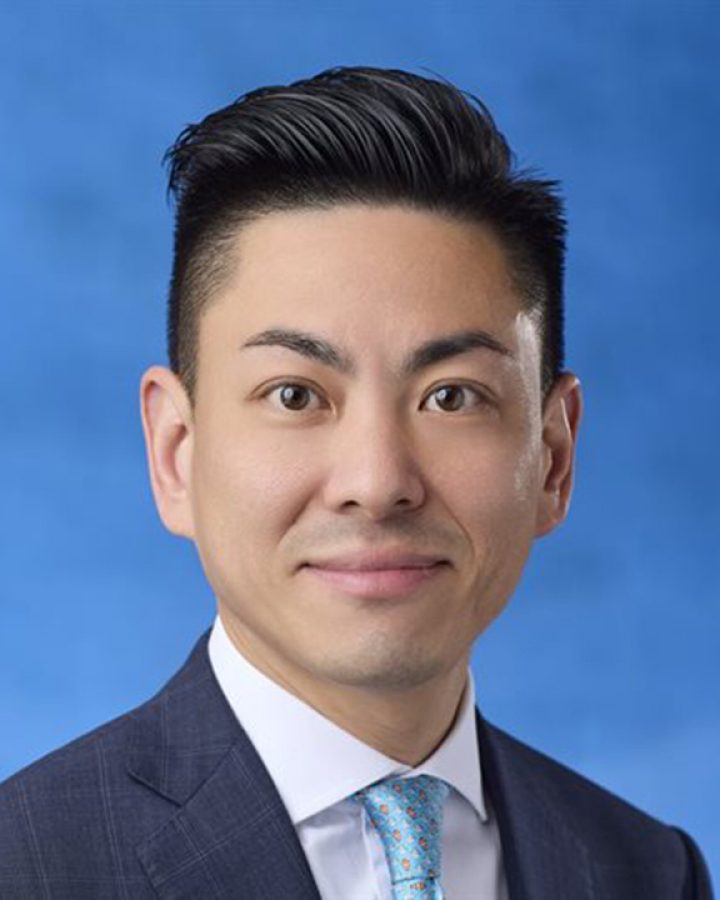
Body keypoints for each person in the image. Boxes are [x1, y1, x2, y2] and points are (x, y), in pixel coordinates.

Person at [0, 65, 713, 900]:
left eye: (451, 397)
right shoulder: (26, 863)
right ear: (176, 452)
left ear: (553, 456)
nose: (377, 483)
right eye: (295, 395)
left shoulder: (649, 872)